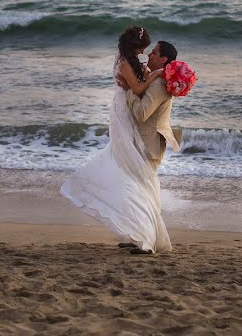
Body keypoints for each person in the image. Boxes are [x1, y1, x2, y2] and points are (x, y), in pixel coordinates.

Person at [60, 26, 181, 254]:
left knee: (136, 181)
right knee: (131, 178)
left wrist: (132, 87)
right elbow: (139, 87)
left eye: (153, 52)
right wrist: (143, 80)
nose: (147, 54)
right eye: (146, 49)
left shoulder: (157, 79)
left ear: (163, 59)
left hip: (141, 133)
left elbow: (141, 107)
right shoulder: (135, 66)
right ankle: (138, 235)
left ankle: (144, 237)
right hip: (127, 122)